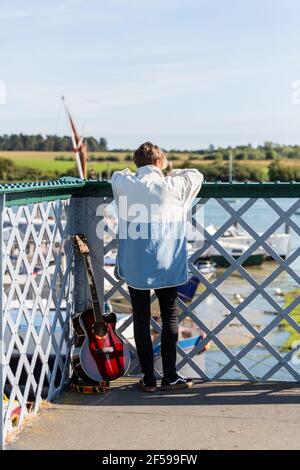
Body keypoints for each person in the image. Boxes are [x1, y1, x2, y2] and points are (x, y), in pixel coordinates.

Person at [111, 142, 203, 392]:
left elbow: (117, 175)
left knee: (140, 317)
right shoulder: (173, 185)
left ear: (137, 163)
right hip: (167, 261)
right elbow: (196, 175)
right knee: (170, 315)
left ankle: (148, 378)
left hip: (137, 262)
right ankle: (170, 375)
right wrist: (173, 174)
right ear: (161, 162)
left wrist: (133, 172)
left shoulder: (126, 183)